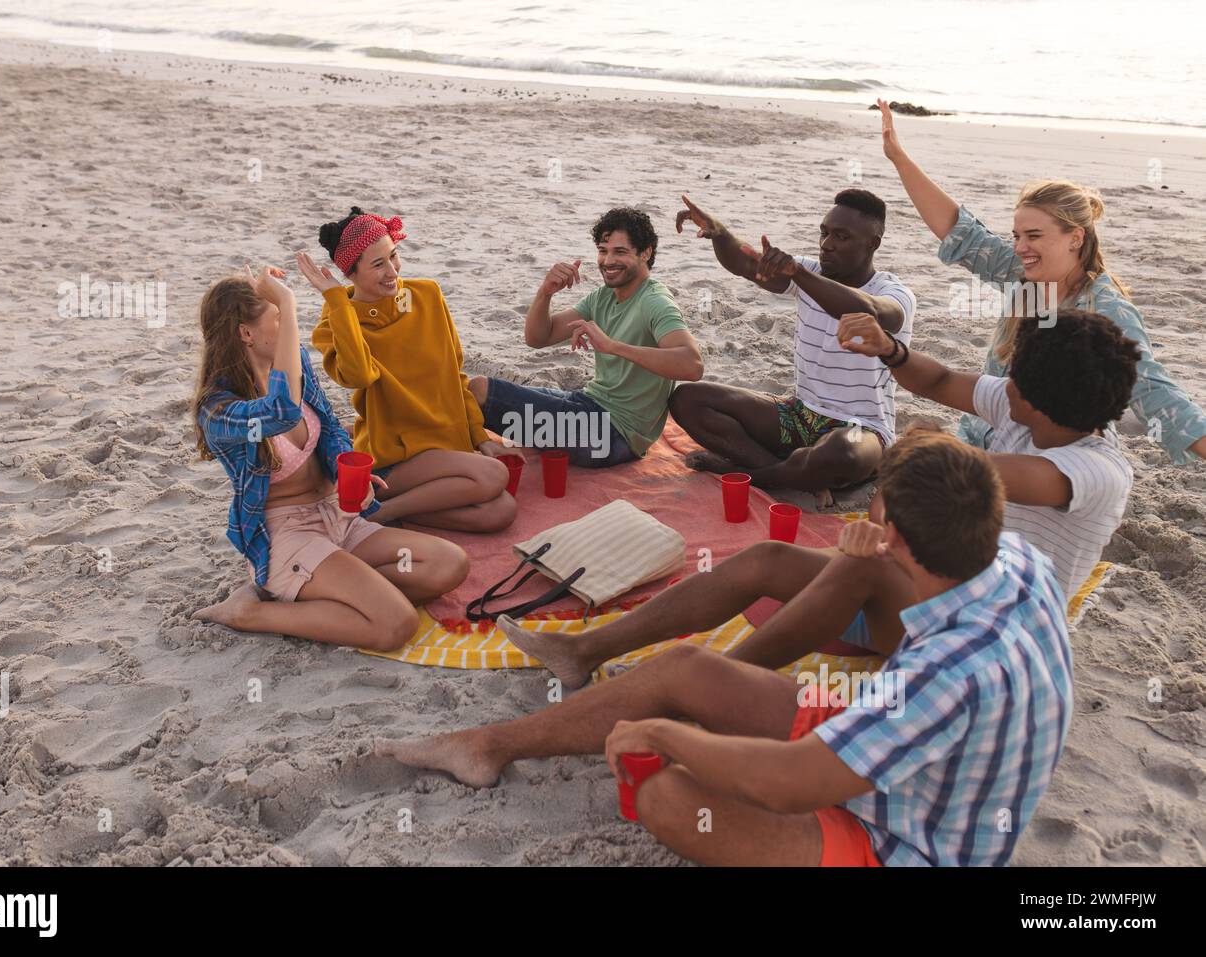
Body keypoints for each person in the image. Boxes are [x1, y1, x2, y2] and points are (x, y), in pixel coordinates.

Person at [378, 431, 1075, 866]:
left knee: (667, 796)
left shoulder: (941, 671)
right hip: (904, 757)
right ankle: (489, 745)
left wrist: (664, 734)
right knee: (688, 668)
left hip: (901, 845)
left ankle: (654, 726)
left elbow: (789, 782)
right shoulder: (1018, 560)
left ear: (894, 540)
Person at [500, 308, 1138, 689]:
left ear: (1040, 398)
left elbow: (968, 472)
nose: (1004, 382)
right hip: (933, 590)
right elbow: (941, 379)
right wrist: (891, 350)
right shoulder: (1031, 413)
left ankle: (704, 684)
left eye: (1015, 377)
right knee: (767, 561)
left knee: (859, 567)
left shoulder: (1093, 471)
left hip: (985, 638)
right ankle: (585, 651)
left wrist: (917, 450)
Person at [875, 97, 1206, 464]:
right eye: (1016, 236)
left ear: (1075, 238)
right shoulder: (1024, 274)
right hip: (984, 438)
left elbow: (1154, 390)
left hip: (1051, 456)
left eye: (1033, 236)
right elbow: (960, 231)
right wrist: (899, 159)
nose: (1020, 247)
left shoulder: (1103, 308)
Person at [191, 266, 468, 650]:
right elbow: (282, 411)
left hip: (339, 518)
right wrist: (287, 299)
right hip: (290, 536)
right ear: (246, 333)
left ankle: (339, 591)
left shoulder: (295, 365)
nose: (290, 328)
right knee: (396, 624)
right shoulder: (218, 411)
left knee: (449, 564)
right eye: (280, 318)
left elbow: (331, 427)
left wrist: (345, 472)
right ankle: (248, 613)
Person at [669, 190, 915, 502]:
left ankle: (750, 475)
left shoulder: (893, 292)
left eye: (841, 237)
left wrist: (798, 274)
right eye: (824, 233)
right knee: (688, 399)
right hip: (799, 415)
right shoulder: (808, 272)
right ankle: (793, 473)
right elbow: (746, 264)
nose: (826, 244)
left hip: (861, 429)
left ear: (873, 243)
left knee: (842, 453)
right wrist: (719, 232)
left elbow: (870, 311)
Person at [301, 207, 515, 532]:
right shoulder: (336, 322)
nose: (392, 271)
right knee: (494, 475)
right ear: (350, 273)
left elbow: (455, 373)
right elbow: (359, 375)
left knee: (501, 511)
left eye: (393, 256)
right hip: (394, 457)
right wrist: (338, 303)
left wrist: (477, 434)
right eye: (378, 264)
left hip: (445, 445)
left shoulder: (427, 295)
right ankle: (377, 513)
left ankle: (375, 511)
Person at [466, 207, 703, 467]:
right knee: (469, 392)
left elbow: (692, 365)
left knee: (478, 391)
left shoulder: (655, 301)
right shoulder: (603, 297)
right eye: (603, 250)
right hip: (589, 405)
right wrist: (545, 293)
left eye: (620, 252)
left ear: (645, 253)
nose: (608, 261)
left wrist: (613, 347)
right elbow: (538, 338)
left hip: (611, 435)